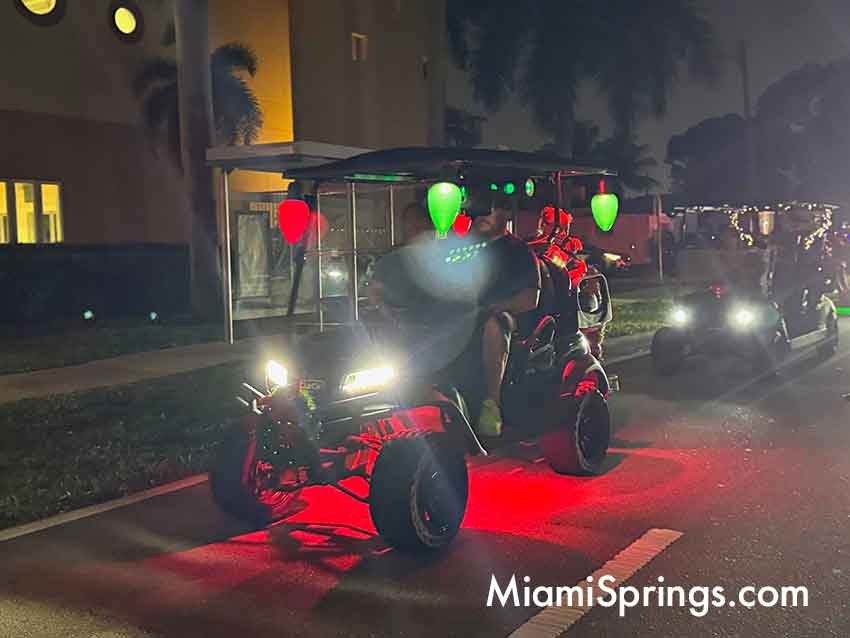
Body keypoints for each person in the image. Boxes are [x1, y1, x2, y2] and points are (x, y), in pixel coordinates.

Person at [369, 188, 540, 438]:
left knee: (494, 324)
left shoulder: (518, 252)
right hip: (458, 314)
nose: (479, 217)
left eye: (487, 211)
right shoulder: (460, 249)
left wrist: (495, 306)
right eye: (474, 212)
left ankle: (492, 403)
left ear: (504, 213)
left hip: (503, 316)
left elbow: (529, 299)